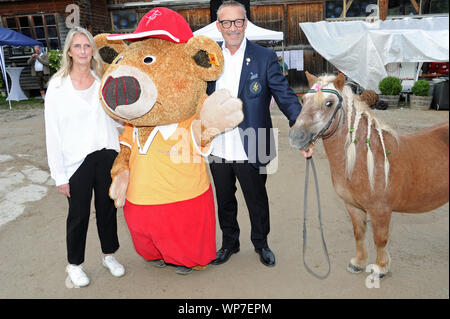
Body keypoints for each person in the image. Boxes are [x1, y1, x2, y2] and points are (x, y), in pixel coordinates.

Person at [207, 1, 314, 267]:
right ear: (219, 26)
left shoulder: (264, 57)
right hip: (218, 144)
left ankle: (261, 243)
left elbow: (285, 96)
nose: (233, 28)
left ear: (246, 23)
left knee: (256, 199)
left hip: (253, 143)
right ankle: (229, 243)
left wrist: (302, 132)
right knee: (224, 200)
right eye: (227, 23)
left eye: (238, 21)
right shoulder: (209, 59)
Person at [44, 26, 124, 287]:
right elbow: (52, 135)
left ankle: (108, 255)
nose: (82, 51)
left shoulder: (103, 81)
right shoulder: (57, 87)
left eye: (87, 46)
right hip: (76, 162)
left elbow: (115, 119)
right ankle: (74, 264)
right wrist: (59, 175)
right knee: (78, 215)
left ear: (93, 51)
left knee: (107, 209)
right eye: (77, 46)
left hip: (106, 154)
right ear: (68, 51)